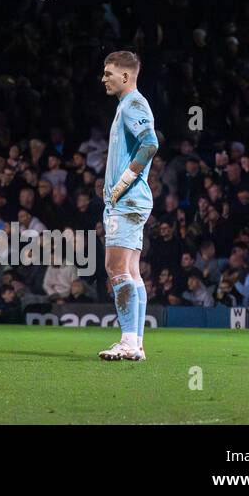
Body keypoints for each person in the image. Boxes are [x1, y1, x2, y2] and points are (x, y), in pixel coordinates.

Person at [97, 50, 159, 362]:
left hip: (128, 200)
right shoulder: (127, 105)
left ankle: (128, 341)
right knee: (132, 271)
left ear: (125, 76)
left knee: (115, 268)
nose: (103, 78)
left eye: (108, 73)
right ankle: (135, 342)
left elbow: (151, 143)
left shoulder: (134, 103)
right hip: (131, 201)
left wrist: (122, 183)